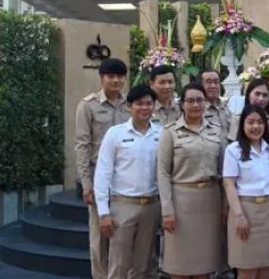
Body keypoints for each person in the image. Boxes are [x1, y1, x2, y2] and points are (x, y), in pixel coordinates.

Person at [93, 85, 162, 279]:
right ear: (129, 106)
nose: (145, 108)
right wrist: (103, 212)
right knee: (119, 263)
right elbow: (102, 173)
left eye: (149, 103)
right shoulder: (115, 134)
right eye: (140, 103)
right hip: (122, 206)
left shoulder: (161, 134)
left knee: (144, 264)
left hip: (151, 206)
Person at [157, 83, 223, 279]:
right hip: (181, 203)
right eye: (190, 100)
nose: (196, 104)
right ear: (182, 104)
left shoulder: (215, 131)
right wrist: (167, 210)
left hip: (210, 202)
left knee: (204, 264)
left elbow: (223, 171)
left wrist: (225, 205)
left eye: (200, 100)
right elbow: (162, 173)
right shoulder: (170, 132)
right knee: (180, 266)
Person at [75, 58, 131, 279]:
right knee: (100, 238)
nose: (116, 80)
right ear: (102, 78)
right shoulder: (88, 105)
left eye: (120, 76)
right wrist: (86, 183)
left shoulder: (131, 104)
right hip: (100, 178)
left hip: (127, 177)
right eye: (111, 76)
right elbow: (82, 145)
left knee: (123, 234)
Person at [222, 105, 269, 279]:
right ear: (242, 125)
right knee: (247, 270)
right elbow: (229, 184)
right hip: (246, 211)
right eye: (251, 122)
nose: (256, 127)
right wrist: (239, 216)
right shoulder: (233, 150)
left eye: (260, 122)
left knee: (266, 268)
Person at [199, 68, 235, 279]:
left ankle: (224, 267)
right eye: (208, 82)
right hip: (208, 173)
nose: (213, 85)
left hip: (227, 173)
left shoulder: (226, 108)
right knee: (209, 225)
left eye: (216, 81)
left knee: (225, 220)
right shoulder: (197, 108)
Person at [227, 78, 269, 147]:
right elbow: (233, 146)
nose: (261, 98)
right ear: (248, 94)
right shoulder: (237, 119)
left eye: (265, 95)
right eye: (257, 94)